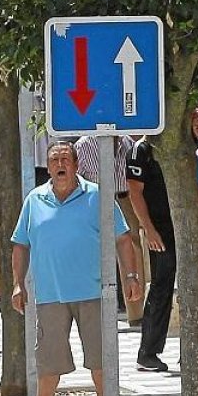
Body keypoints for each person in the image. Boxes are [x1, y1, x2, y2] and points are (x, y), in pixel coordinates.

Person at [13, 141, 142, 396]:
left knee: (100, 358)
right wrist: (18, 285)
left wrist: (131, 276)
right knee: (49, 361)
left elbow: (123, 238)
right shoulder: (35, 199)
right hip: (50, 295)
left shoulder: (97, 196)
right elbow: (20, 244)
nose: (60, 165)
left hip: (93, 293)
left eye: (65, 160)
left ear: (76, 165)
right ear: (48, 166)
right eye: (54, 160)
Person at [73, 134, 142, 324]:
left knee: (132, 247)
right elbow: (76, 181)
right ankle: (95, 308)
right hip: (94, 201)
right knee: (96, 253)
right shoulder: (83, 145)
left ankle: (136, 312)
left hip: (124, 199)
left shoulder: (127, 143)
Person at [126, 137, 175, 373]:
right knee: (161, 286)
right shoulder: (141, 150)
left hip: (182, 224)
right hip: (161, 228)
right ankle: (148, 352)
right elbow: (135, 191)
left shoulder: (180, 141)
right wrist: (149, 229)